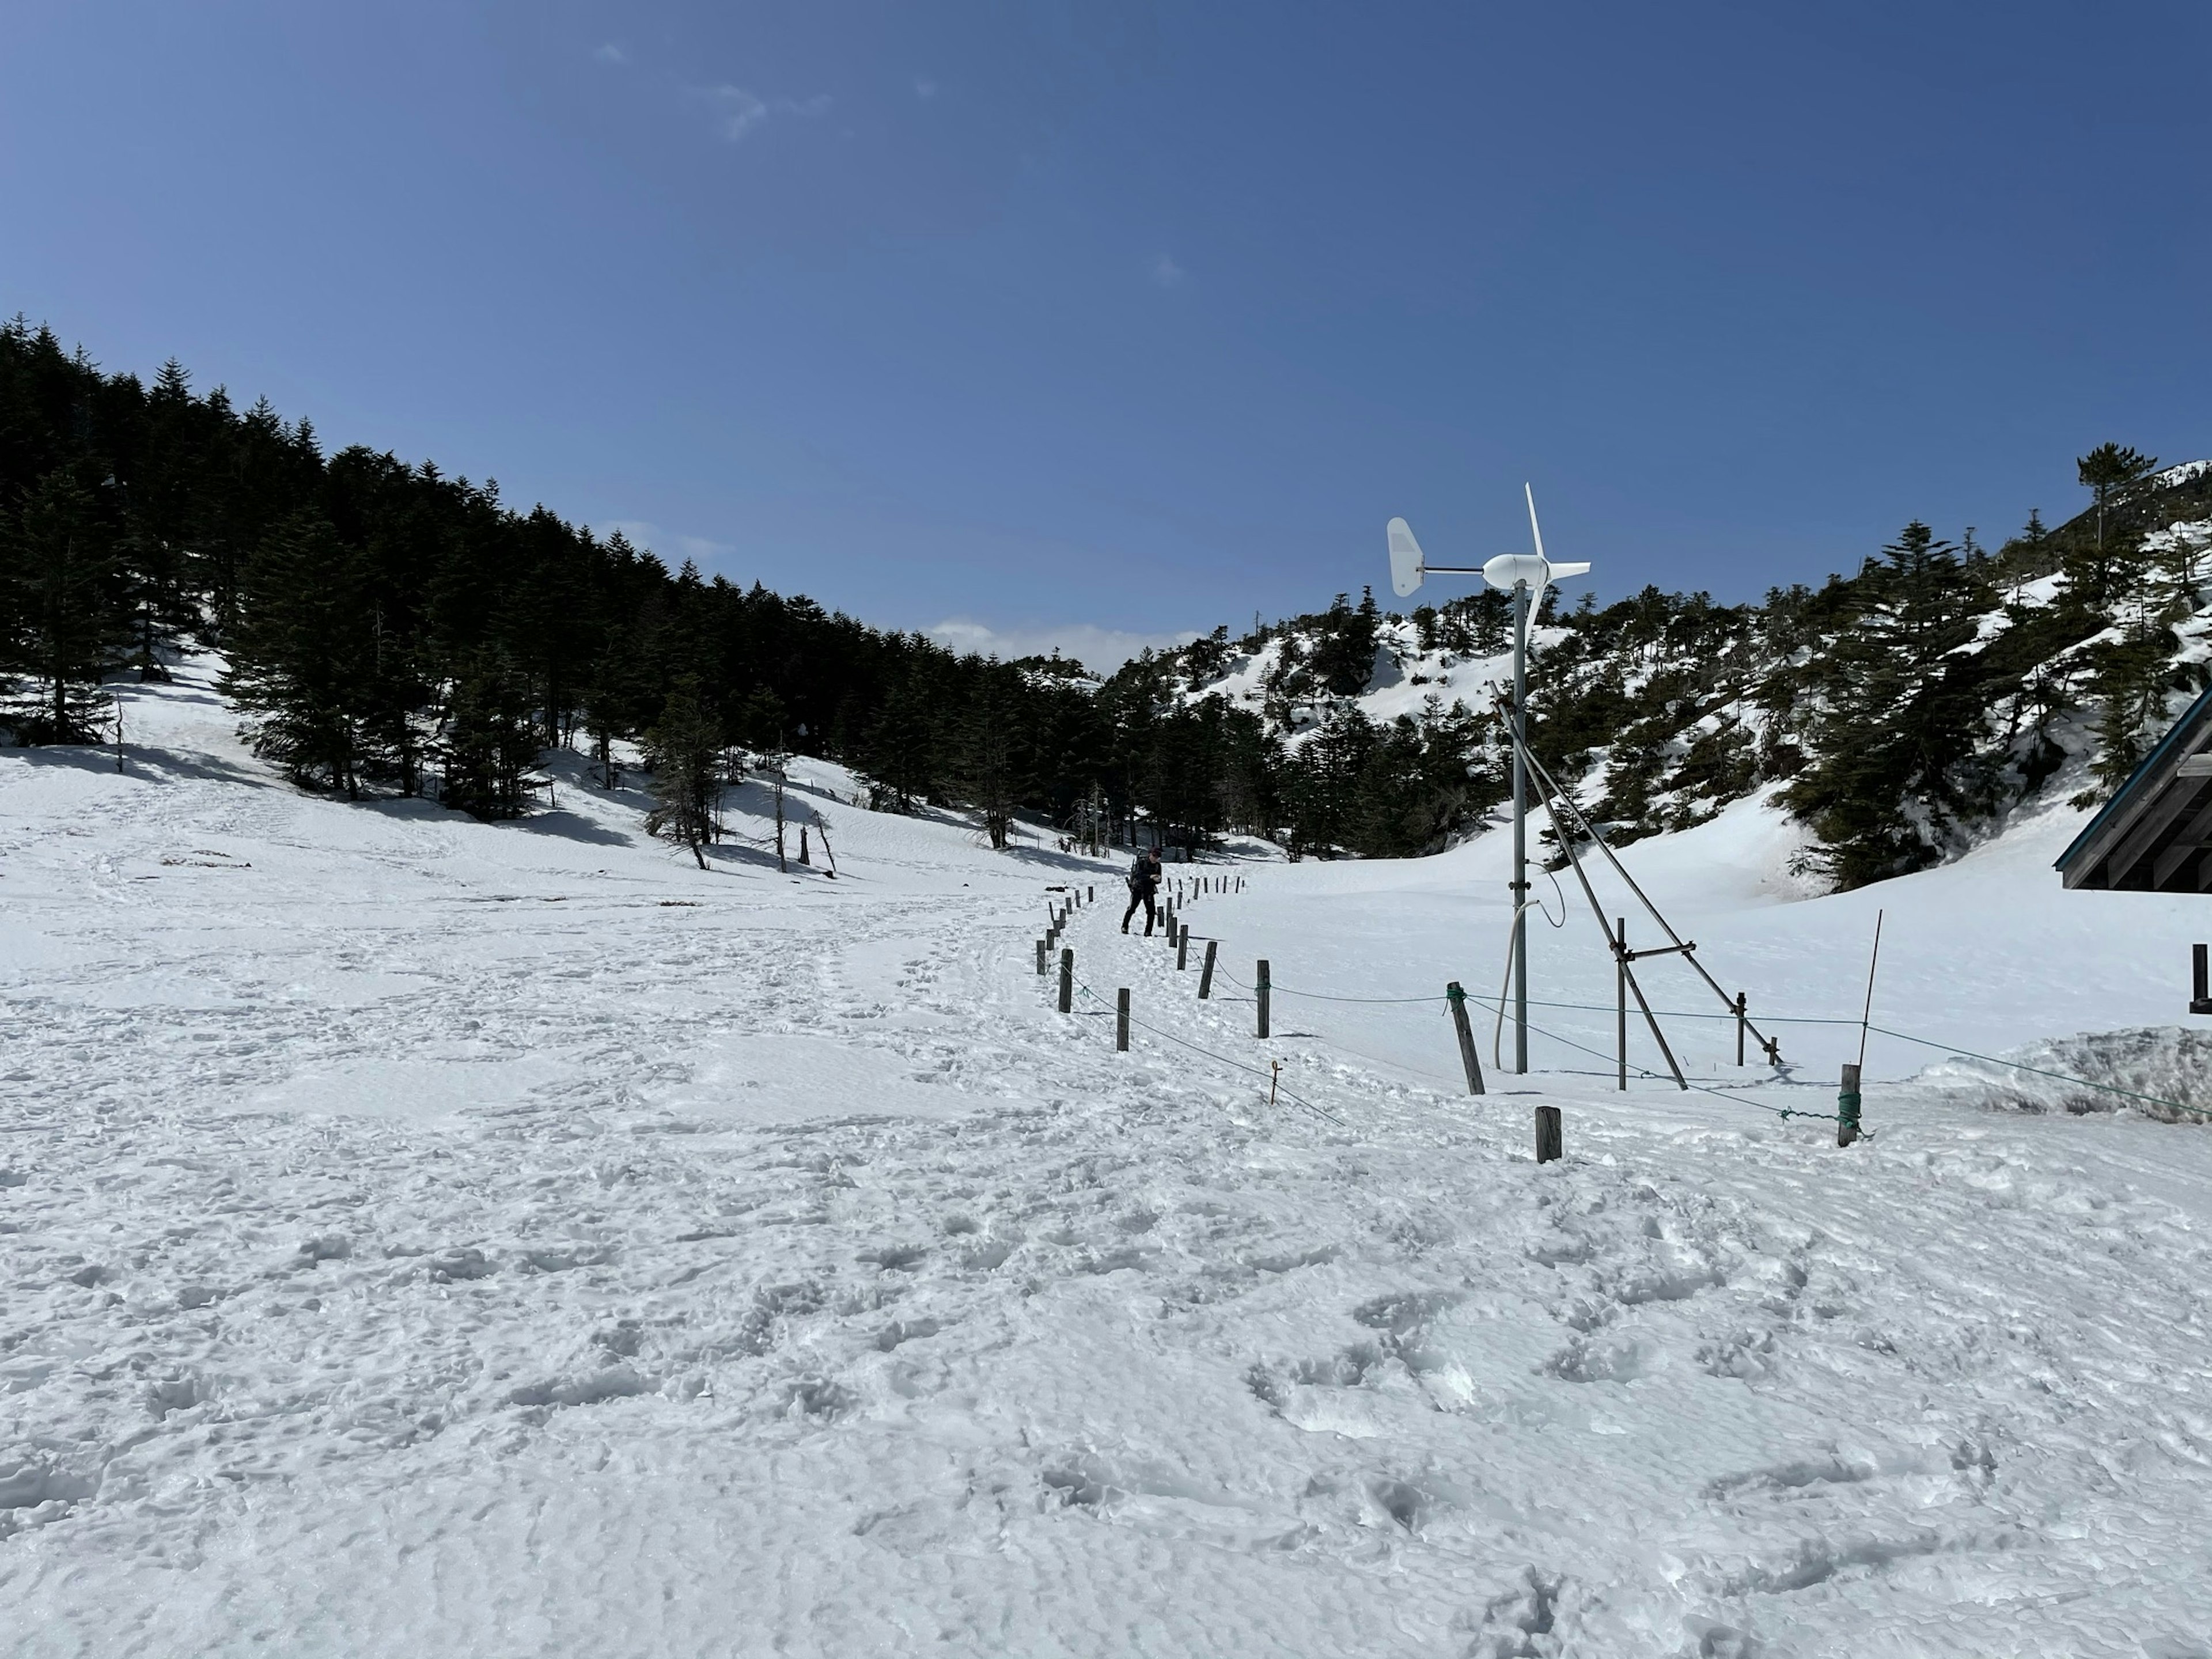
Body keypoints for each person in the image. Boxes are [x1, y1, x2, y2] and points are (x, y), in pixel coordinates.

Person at [1122, 846, 1163, 935]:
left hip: (1149, 891)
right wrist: (1150, 877)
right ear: (1150, 854)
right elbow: (1138, 875)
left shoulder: (1158, 866)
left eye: (1158, 857)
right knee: (1132, 909)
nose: (1156, 859)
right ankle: (1125, 927)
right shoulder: (1142, 862)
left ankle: (1148, 931)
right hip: (1137, 889)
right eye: (1154, 856)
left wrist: (1157, 879)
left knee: (1151, 912)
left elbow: (1159, 880)